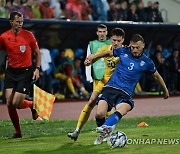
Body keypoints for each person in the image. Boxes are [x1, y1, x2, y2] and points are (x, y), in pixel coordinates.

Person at [85, 34, 169, 145]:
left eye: (137, 48)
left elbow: (157, 76)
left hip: (125, 93)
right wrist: (93, 57)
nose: (134, 50)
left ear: (143, 45)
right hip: (111, 88)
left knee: (124, 108)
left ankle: (105, 129)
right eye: (132, 47)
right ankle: (105, 132)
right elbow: (108, 53)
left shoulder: (147, 62)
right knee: (99, 114)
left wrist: (165, 90)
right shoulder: (123, 51)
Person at [67, 27, 125, 141]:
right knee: (91, 101)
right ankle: (77, 131)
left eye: (118, 41)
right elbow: (92, 58)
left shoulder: (126, 53)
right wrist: (88, 62)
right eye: (114, 40)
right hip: (103, 81)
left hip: (116, 85)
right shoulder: (105, 49)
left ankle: (106, 132)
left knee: (107, 109)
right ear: (111, 39)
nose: (116, 43)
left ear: (123, 40)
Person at [0, 11, 41, 138]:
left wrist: (37, 69)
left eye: (22, 22)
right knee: (9, 103)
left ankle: (33, 105)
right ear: (11, 22)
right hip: (11, 72)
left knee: (17, 104)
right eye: (17, 22)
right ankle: (18, 132)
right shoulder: (4, 37)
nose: (20, 24)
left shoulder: (29, 35)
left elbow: (37, 53)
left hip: (25, 72)